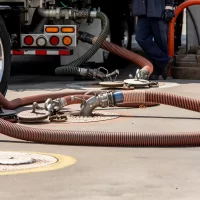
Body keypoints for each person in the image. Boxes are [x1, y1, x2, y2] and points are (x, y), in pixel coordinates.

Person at [132, 0, 175, 80]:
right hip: (143, 11)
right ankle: (164, 61)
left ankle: (155, 71)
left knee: (161, 42)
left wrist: (169, 6)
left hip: (159, 11)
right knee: (141, 38)